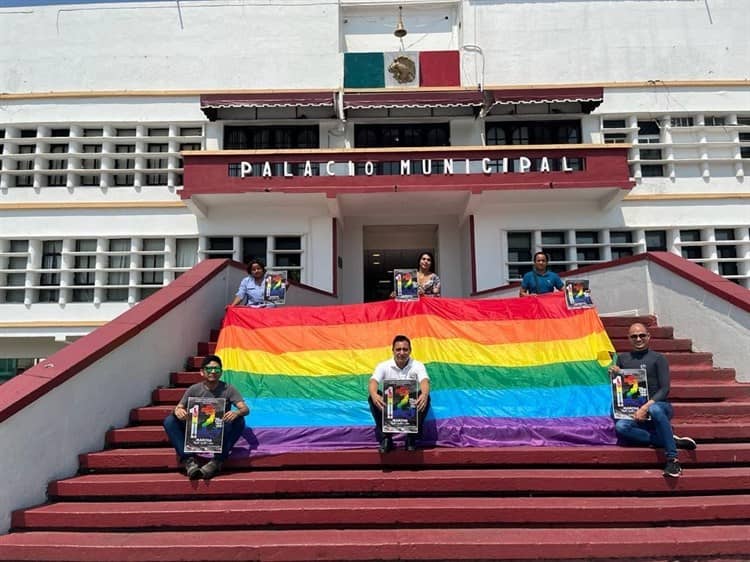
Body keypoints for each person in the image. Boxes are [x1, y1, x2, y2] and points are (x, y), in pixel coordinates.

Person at [609, 322, 697, 478]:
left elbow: (665, 389)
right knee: (621, 427)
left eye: (642, 335)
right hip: (634, 406)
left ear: (648, 337)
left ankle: (672, 459)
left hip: (659, 406)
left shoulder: (658, 358)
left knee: (654, 409)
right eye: (634, 336)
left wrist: (645, 407)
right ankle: (667, 438)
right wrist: (614, 374)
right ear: (629, 338)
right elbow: (623, 388)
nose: (638, 339)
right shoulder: (622, 359)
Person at [163, 354, 249, 479]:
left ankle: (217, 461)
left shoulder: (229, 389)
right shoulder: (194, 389)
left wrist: (236, 412)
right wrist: (179, 411)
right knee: (170, 421)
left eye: (217, 369)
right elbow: (179, 407)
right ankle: (188, 461)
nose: (213, 372)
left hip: (218, 430)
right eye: (209, 369)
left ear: (221, 372)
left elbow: (245, 409)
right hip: (196, 428)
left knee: (239, 421)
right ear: (202, 372)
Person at [368, 335, 431, 452]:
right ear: (393, 351)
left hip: (409, 404)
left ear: (410, 351)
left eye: (405, 349)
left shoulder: (418, 365)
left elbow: (424, 381)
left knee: (425, 396)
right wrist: (374, 394)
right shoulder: (383, 365)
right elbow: (373, 381)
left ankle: (411, 438)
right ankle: (386, 438)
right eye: (398, 349)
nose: (401, 353)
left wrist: (425, 394)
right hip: (390, 403)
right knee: (373, 396)